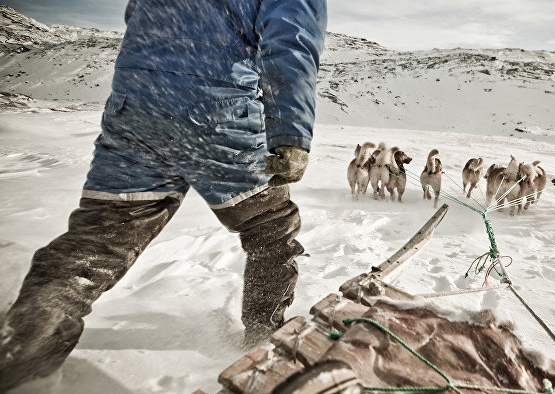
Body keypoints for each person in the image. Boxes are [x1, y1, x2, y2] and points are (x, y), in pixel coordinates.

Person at [0, 0, 327, 390]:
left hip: (134, 106)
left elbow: (139, 17)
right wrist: (291, 134)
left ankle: (24, 351)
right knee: (270, 228)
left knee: (98, 240)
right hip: (214, 112)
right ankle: (263, 334)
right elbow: (291, 44)